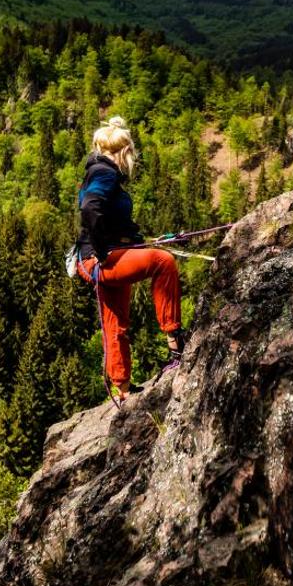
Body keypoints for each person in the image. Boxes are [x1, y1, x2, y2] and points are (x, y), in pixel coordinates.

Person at [76, 116, 185, 404]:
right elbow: (90, 209)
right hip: (103, 258)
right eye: (130, 154)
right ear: (124, 152)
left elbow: (105, 218)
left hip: (99, 257)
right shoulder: (106, 172)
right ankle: (176, 344)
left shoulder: (96, 171)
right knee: (163, 262)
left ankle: (121, 389)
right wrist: (101, 251)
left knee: (115, 324)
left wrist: (141, 242)